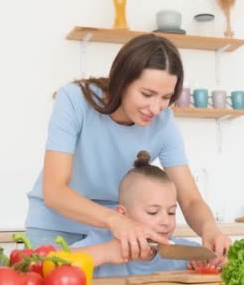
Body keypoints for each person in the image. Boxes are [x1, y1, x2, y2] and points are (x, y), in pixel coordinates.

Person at [24, 34, 230, 266]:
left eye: (166, 97)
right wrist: (116, 221)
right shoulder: (74, 100)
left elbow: (190, 199)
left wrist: (209, 228)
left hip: (117, 231)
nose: (155, 108)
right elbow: (54, 191)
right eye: (147, 94)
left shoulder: (164, 122)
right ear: (122, 81)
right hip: (56, 226)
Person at [70, 151, 219, 277]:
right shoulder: (100, 242)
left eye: (171, 212)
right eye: (153, 212)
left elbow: (222, 265)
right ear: (123, 215)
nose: (166, 222)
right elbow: (51, 264)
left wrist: (211, 264)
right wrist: (106, 252)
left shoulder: (184, 252)